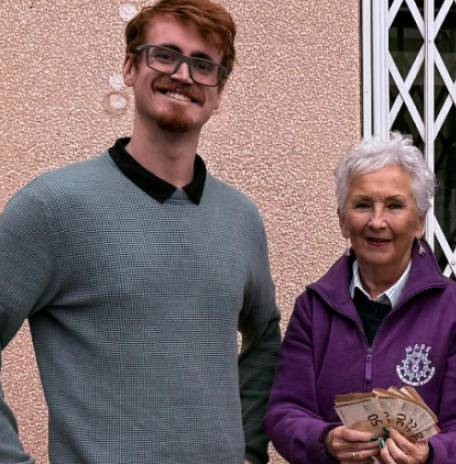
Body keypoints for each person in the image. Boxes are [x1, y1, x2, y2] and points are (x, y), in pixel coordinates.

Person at [0, 1, 281, 462]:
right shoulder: (52, 207)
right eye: (165, 55)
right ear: (130, 68)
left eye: (203, 65)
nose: (183, 74)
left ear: (218, 92)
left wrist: (250, 447)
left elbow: (265, 337)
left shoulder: (241, 218)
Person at [265, 133, 456, 463]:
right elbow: (284, 411)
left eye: (394, 205)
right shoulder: (313, 309)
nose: (376, 222)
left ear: (419, 221)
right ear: (343, 221)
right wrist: (325, 440)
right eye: (362, 205)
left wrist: (430, 454)